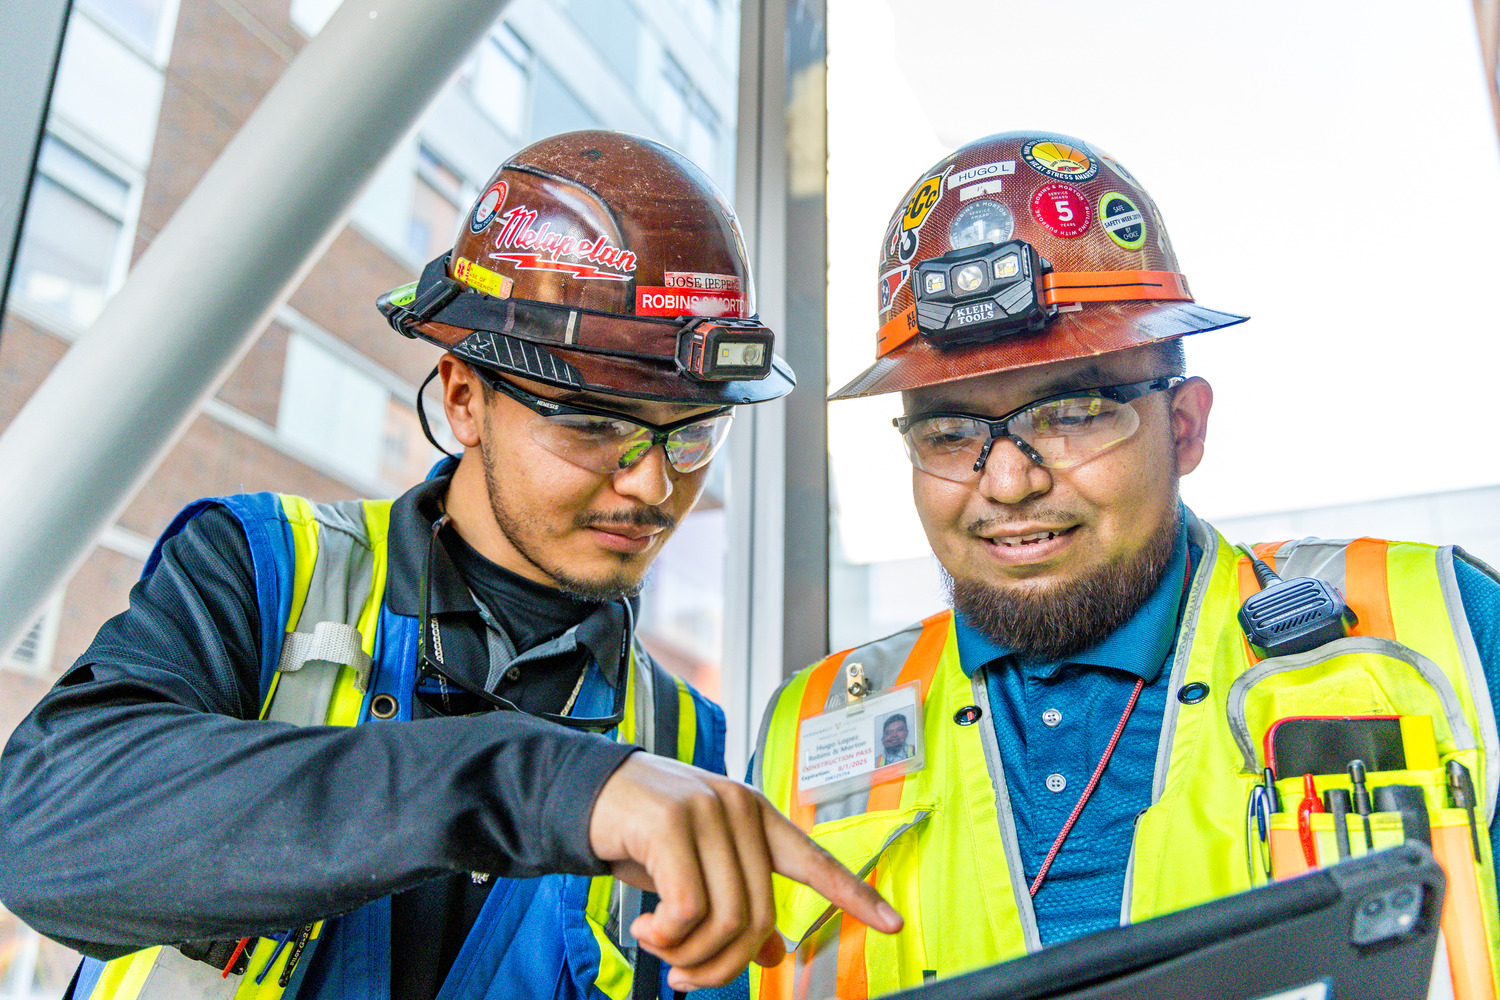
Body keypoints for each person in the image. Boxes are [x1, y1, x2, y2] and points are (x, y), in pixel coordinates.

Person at [0, 131, 899, 1000]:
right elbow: (42, 830)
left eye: (695, 431)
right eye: (592, 424)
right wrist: (540, 782)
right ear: (464, 397)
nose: (655, 483)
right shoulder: (266, 571)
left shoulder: (681, 739)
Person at [748, 130, 1500, 999]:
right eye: (950, 432)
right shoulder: (804, 736)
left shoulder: (1439, 629)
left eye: (1069, 412)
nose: (1008, 480)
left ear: (1185, 426)